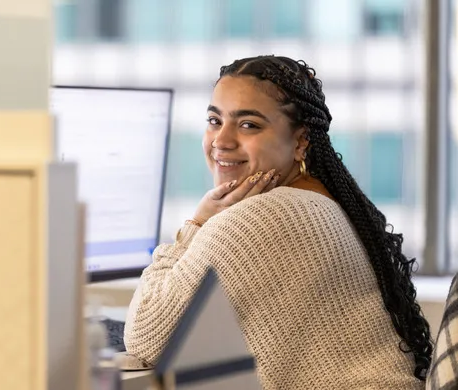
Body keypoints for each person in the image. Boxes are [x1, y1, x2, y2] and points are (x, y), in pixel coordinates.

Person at [123, 55, 432, 389]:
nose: (222, 141)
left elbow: (146, 335)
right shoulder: (323, 200)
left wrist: (196, 223)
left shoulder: (256, 219)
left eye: (248, 125)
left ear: (301, 142)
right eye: (214, 120)